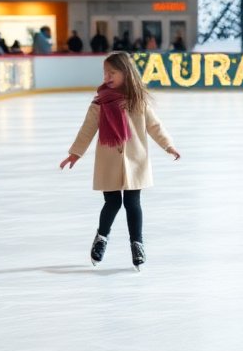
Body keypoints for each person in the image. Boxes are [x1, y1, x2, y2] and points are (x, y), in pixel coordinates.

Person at [60, 52, 180, 271]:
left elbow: (154, 126)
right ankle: (101, 237)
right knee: (112, 202)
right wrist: (75, 153)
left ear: (126, 73)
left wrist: (168, 145)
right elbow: (87, 129)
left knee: (132, 203)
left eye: (112, 73)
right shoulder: (100, 102)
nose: (107, 77)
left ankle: (137, 244)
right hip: (109, 161)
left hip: (135, 161)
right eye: (105, 73)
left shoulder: (138, 101)